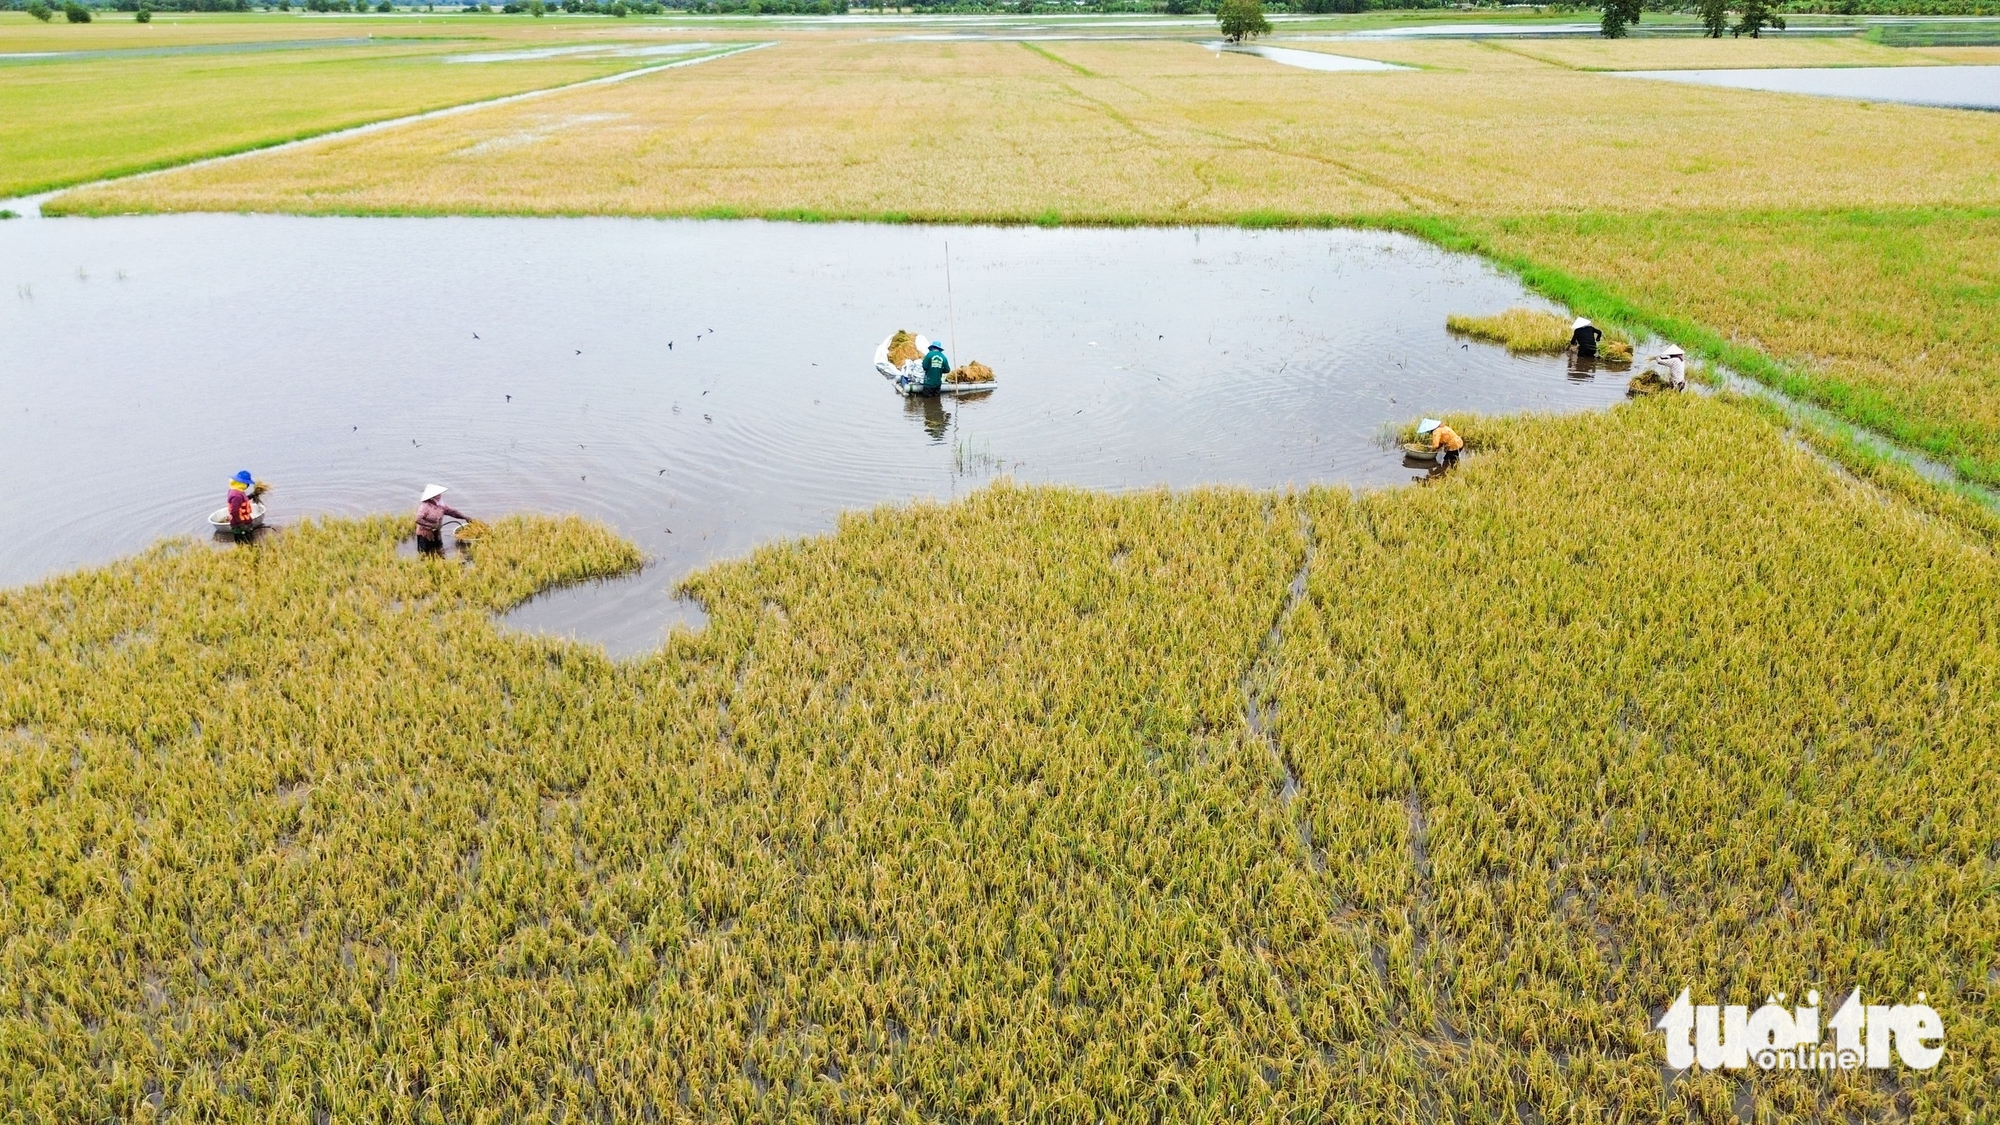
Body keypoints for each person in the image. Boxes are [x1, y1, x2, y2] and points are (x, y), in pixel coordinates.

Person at [415, 483, 468, 555]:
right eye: (437, 495)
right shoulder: (425, 506)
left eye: (439, 494)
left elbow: (452, 512)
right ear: (431, 497)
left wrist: (465, 517)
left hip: (437, 532)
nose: (439, 495)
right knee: (425, 553)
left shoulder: (441, 505)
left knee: (439, 549)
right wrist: (432, 526)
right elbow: (418, 519)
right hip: (425, 534)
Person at [225, 469, 258, 538]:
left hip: (244, 521)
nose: (248, 485)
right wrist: (241, 524)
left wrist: (251, 495)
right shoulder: (236, 495)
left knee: (248, 541)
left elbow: (241, 502)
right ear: (242, 483)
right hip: (240, 524)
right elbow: (234, 511)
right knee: (245, 542)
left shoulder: (236, 491)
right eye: (247, 483)